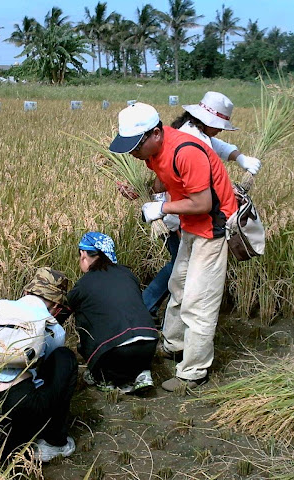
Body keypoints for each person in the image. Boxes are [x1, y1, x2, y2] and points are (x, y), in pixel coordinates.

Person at [109, 102, 237, 392]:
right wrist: (139, 192)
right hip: (191, 225)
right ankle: (174, 345)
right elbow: (162, 182)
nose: (132, 152)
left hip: (212, 229)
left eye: (136, 145)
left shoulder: (186, 151)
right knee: (178, 286)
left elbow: (203, 203)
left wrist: (162, 208)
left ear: (156, 133)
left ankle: (194, 372)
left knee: (198, 302)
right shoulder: (155, 153)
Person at [122, 92, 261, 319]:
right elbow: (174, 186)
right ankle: (145, 310)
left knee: (179, 277)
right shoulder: (188, 141)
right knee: (185, 282)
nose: (220, 130)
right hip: (187, 217)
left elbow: (217, 146)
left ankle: (151, 316)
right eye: (218, 126)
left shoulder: (189, 132)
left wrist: (240, 157)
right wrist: (167, 214)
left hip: (189, 216)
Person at [0, 267, 78, 463]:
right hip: (18, 403)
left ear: (25, 292)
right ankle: (54, 441)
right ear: (57, 307)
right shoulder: (53, 328)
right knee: (64, 358)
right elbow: (47, 370)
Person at [67, 232, 159, 394]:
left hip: (113, 352)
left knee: (84, 315)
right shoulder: (128, 274)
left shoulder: (83, 284)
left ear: (83, 254)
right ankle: (141, 372)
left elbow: (63, 310)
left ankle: (103, 376)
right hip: (149, 342)